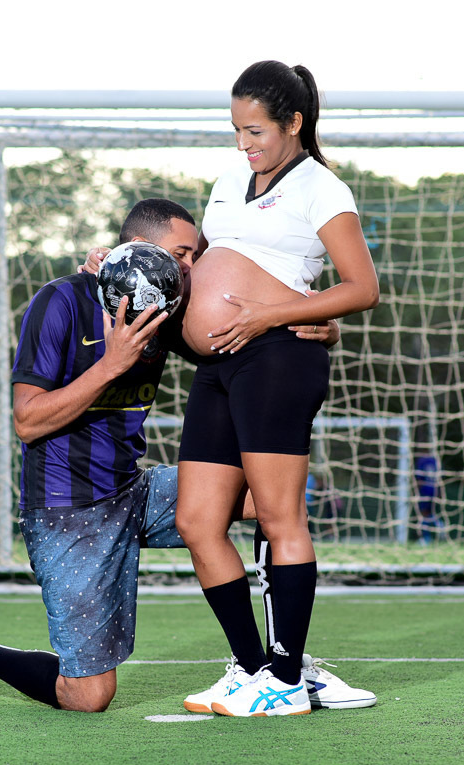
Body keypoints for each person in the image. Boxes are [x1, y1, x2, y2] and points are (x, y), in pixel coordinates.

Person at [0, 199, 370, 712]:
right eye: (183, 253)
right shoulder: (61, 302)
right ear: (138, 247)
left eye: (197, 255)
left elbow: (226, 343)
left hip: (133, 490)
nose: (192, 267)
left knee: (269, 500)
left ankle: (277, 666)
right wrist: (111, 365)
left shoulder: (165, 310)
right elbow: (28, 421)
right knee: (87, 696)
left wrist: (320, 325)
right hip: (68, 512)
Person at [174, 61, 381, 717]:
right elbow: (207, 261)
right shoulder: (230, 178)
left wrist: (277, 314)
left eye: (256, 130)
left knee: (277, 515)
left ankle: (287, 678)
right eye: (237, 130)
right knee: (199, 520)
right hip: (219, 364)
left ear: (293, 123)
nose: (244, 143)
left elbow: (361, 287)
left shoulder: (322, 189)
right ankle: (250, 667)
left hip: (276, 356)